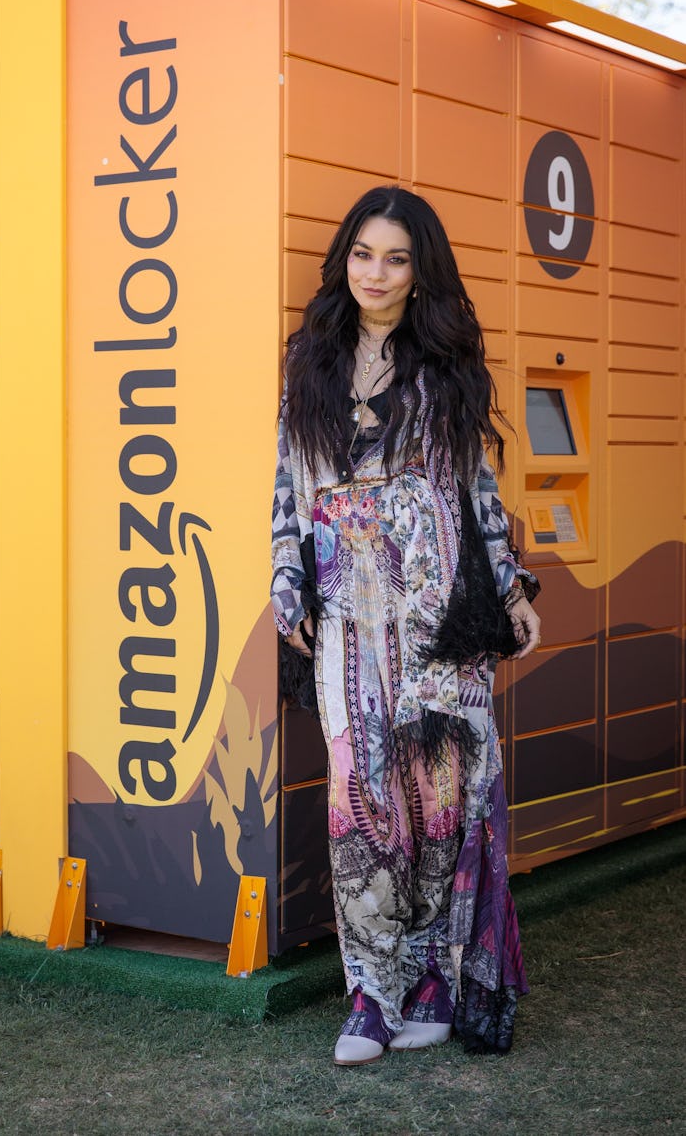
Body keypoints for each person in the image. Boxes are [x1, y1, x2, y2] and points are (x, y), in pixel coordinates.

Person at [271, 185, 540, 1066]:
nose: (375, 273)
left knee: (436, 805)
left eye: (394, 258)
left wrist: (511, 591)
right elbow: (288, 488)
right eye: (362, 254)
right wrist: (289, 582)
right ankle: (369, 993)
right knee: (362, 802)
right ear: (343, 258)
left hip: (437, 621)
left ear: (421, 272)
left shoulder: (449, 366)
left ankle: (431, 977)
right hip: (349, 616)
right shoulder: (310, 360)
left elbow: (479, 494)